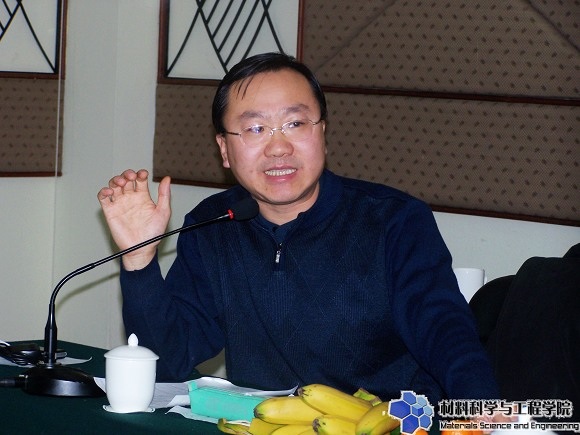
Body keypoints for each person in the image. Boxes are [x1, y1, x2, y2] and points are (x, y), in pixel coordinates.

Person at [97, 52, 498, 404]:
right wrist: (139, 261)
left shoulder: (393, 220)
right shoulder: (213, 225)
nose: (278, 147)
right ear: (224, 149)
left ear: (322, 132)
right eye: (255, 129)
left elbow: (444, 332)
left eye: (295, 123)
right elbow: (167, 364)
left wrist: (484, 415)